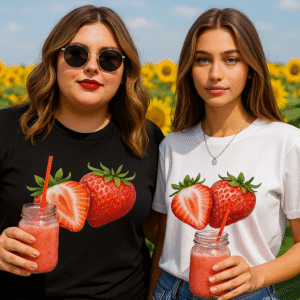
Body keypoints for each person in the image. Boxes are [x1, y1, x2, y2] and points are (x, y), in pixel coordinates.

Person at [0, 5, 164, 300]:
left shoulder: (146, 138)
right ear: (54, 58)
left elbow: (161, 232)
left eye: (109, 59)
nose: (92, 67)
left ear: (124, 70)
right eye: (77, 54)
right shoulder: (7, 129)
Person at [147, 8, 300, 300]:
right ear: (189, 69)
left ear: (251, 68)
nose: (215, 74)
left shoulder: (287, 143)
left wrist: (258, 275)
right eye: (203, 60)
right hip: (172, 290)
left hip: (248, 293)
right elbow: (166, 240)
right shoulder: (172, 146)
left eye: (231, 60)